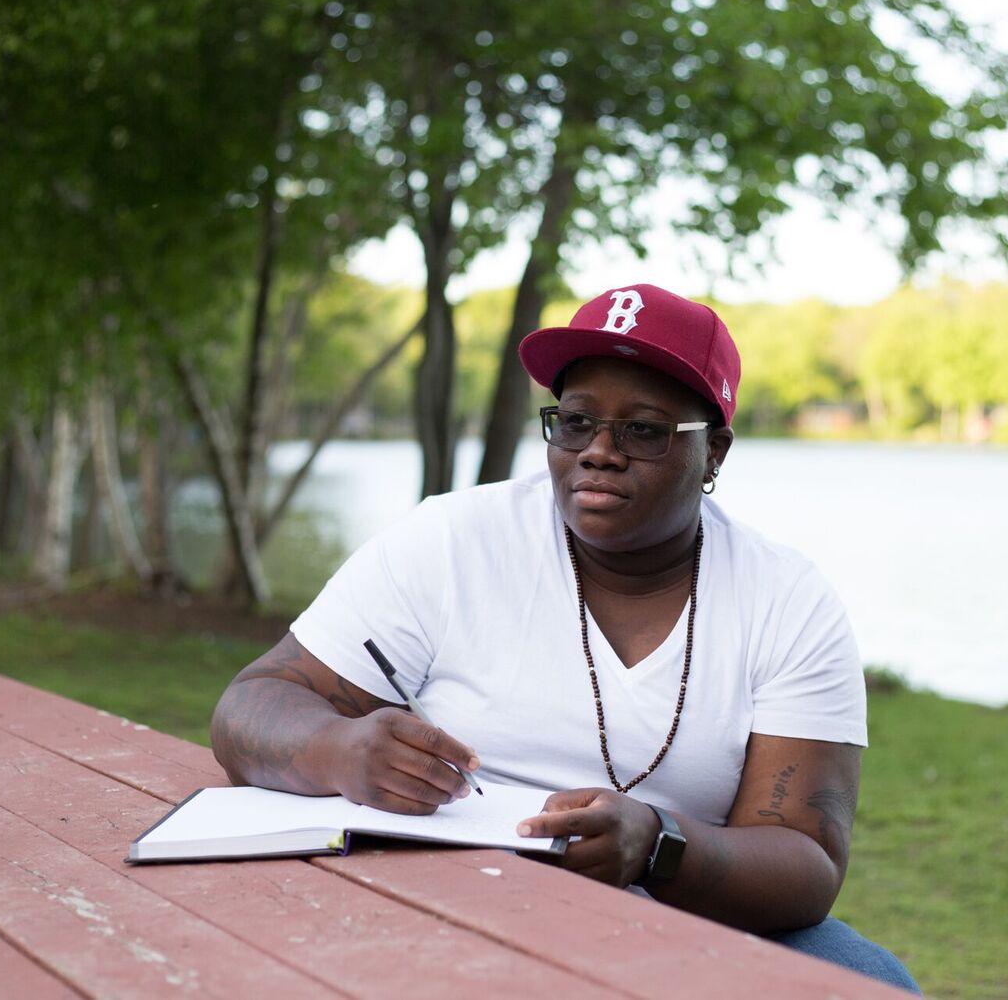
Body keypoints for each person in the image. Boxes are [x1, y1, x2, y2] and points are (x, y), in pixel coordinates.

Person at [211, 283, 919, 993]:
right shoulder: (452, 541)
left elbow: (805, 859)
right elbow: (254, 705)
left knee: (872, 982)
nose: (599, 452)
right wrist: (340, 750)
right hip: (454, 897)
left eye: (643, 430)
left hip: (682, 916)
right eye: (575, 422)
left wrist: (659, 845)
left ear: (713, 454)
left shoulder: (787, 600)